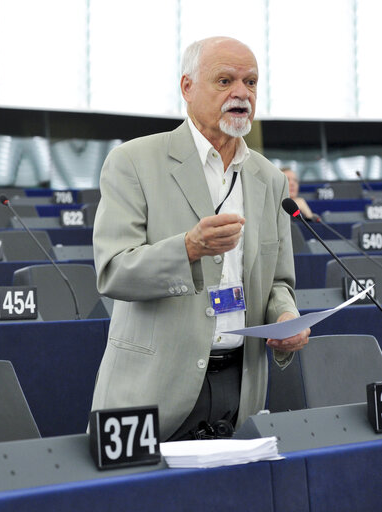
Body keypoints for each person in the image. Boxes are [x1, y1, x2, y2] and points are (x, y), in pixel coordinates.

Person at [90, 36, 310, 441]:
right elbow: (113, 272)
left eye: (252, 82)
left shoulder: (270, 179)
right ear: (187, 87)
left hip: (240, 391)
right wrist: (188, 248)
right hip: (151, 390)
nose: (241, 93)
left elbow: (279, 282)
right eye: (225, 81)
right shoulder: (133, 162)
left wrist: (284, 317)